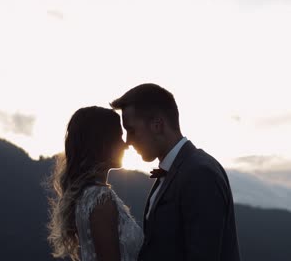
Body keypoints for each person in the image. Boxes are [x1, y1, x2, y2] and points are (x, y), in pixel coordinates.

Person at [111, 83, 241, 261]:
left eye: (131, 130)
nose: (128, 141)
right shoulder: (177, 170)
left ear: (157, 125)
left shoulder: (200, 174)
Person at [47, 106, 144, 261]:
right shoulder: (101, 199)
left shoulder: (87, 196)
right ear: (103, 143)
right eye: (119, 137)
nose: (125, 145)